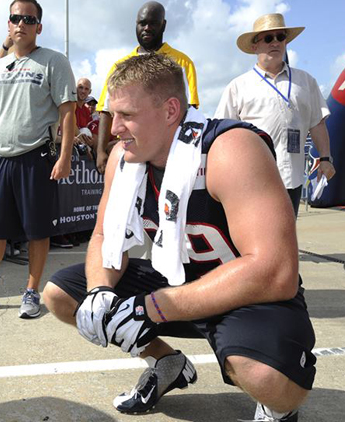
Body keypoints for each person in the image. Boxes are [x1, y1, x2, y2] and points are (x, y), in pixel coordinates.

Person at [43, 54, 315, 422]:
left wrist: (152, 308)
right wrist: (99, 291)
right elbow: (106, 236)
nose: (115, 127)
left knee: (265, 375)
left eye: (126, 115)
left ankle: (276, 407)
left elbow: (276, 270)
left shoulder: (229, 148)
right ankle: (166, 362)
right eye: (112, 114)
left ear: (171, 110)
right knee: (62, 295)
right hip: (177, 277)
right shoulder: (124, 158)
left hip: (244, 292)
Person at [0, 0, 77, 319]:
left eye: (29, 19)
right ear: (8, 24)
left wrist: (64, 157)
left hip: (36, 156)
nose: (22, 24)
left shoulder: (54, 61)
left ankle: (32, 292)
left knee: (37, 230)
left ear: (39, 26)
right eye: (16, 18)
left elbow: (67, 114)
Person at [214, 13, 335, 215]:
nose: (276, 42)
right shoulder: (238, 87)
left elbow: (317, 123)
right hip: (252, 179)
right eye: (269, 38)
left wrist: (325, 159)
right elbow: (221, 136)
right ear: (255, 46)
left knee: (288, 236)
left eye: (281, 37)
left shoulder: (306, 81)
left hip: (293, 178)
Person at [95, 1, 199, 174]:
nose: (147, 28)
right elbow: (105, 110)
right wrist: (100, 150)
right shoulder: (119, 66)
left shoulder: (182, 63)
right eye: (142, 23)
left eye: (153, 23)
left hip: (168, 156)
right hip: (131, 153)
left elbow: (190, 109)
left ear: (163, 25)